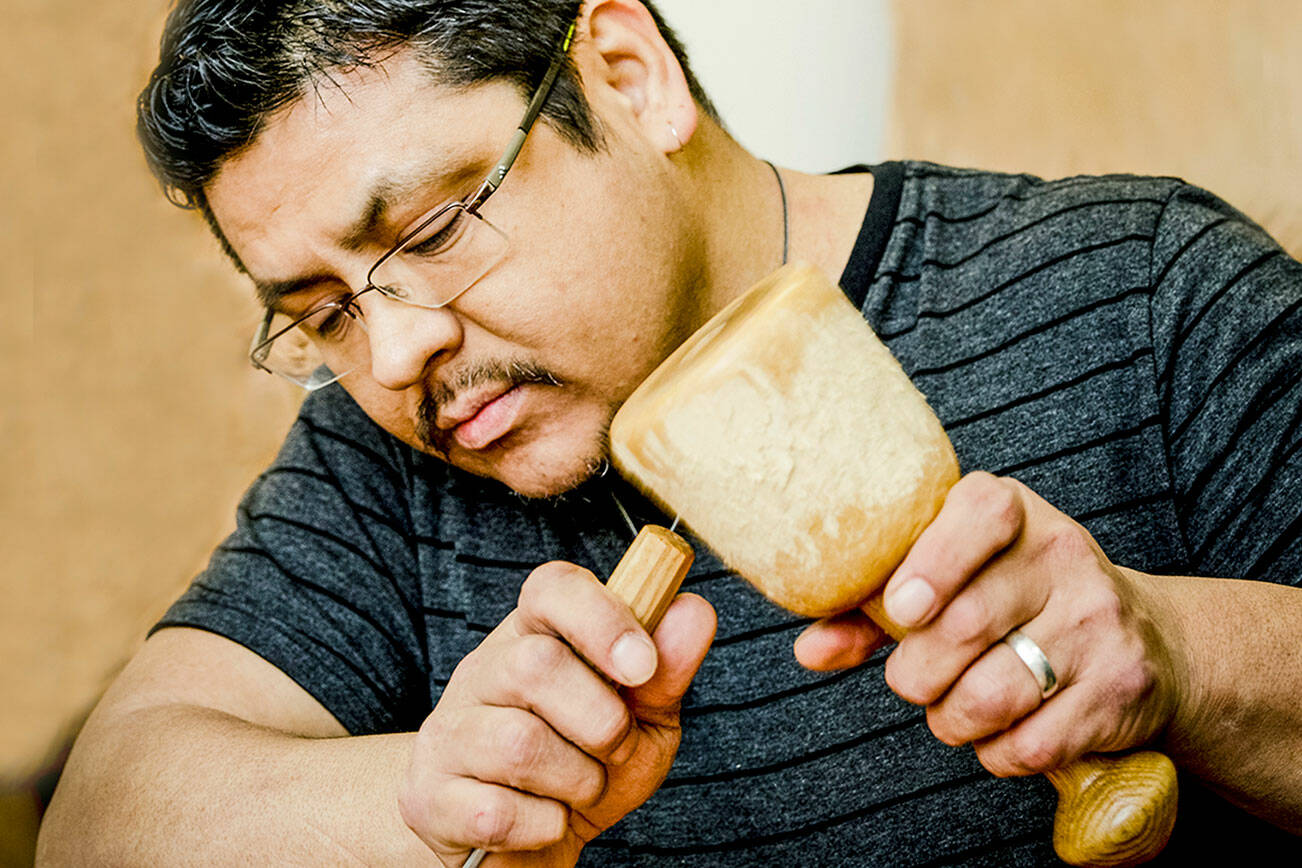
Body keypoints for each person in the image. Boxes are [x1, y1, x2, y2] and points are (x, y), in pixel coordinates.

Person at [37, 0, 1302, 864]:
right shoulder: (386, 459)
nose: (394, 352)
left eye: (431, 230)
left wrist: (1183, 654)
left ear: (629, 77)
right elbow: (98, 823)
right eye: (321, 313)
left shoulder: (1140, 285)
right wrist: (428, 794)